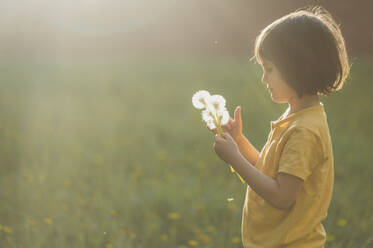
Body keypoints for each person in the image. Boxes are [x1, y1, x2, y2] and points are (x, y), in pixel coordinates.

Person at [207, 5, 350, 248]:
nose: (264, 79)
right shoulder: (296, 117)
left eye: (270, 69)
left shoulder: (304, 130)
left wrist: (235, 160)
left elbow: (282, 196)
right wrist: (239, 143)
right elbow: (268, 174)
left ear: (297, 67)